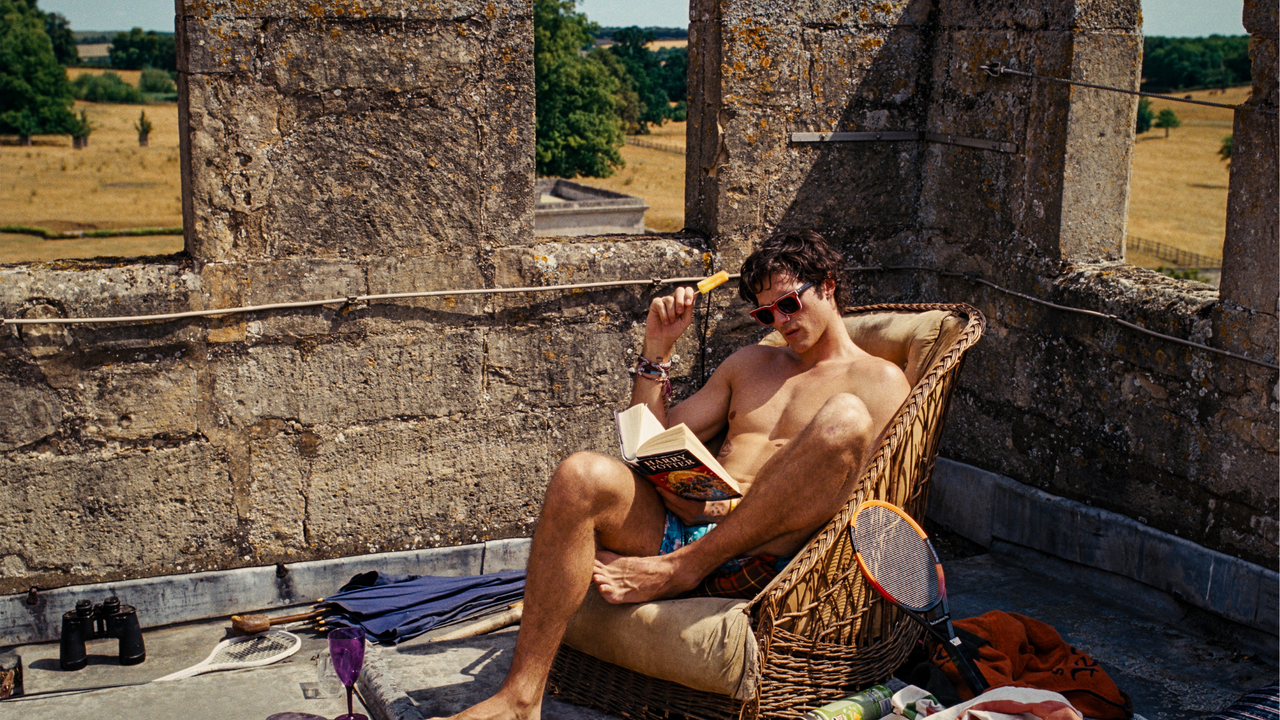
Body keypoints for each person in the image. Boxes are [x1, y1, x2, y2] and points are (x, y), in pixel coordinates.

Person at [448, 230, 912, 720]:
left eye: (790, 304)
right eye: (765, 314)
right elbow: (650, 442)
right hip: (681, 524)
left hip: (764, 555)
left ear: (829, 285)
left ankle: (680, 570)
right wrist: (657, 349)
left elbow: (852, 496)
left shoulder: (879, 380)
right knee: (580, 474)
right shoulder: (750, 363)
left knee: (846, 418)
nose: (780, 321)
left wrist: (727, 508)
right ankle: (520, 699)